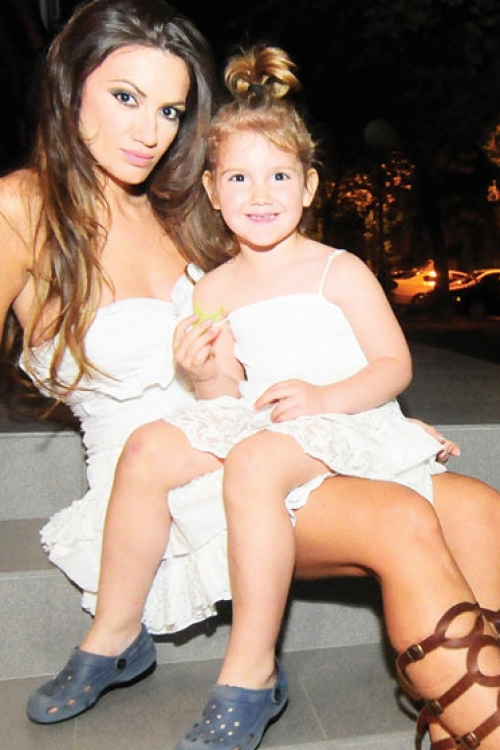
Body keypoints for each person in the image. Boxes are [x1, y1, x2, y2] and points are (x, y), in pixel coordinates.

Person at [1, 3, 500, 749]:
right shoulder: (20, 207)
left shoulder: (185, 212)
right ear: (71, 88)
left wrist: (370, 421)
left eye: (170, 110)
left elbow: (280, 343)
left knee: (478, 507)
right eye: (125, 96)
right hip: (159, 478)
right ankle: (215, 663)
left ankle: (460, 727)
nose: (149, 131)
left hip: (254, 430)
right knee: (400, 521)